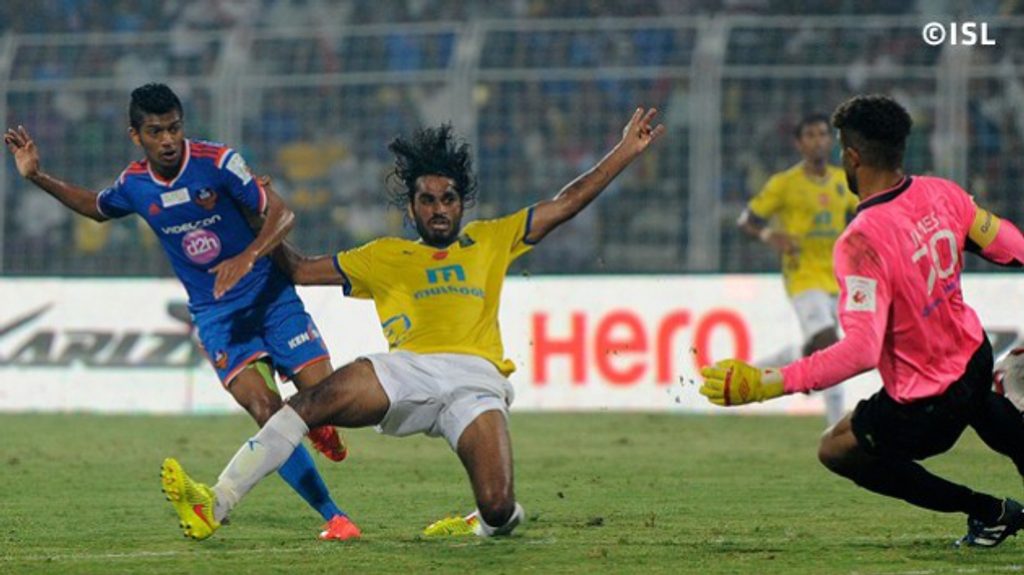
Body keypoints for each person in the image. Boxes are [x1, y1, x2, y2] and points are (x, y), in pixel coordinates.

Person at [158, 107, 665, 540]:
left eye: (448, 199)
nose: (439, 209)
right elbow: (296, 268)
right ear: (413, 207)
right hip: (406, 369)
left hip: (476, 381)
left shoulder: (492, 238)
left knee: (498, 505)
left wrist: (624, 151)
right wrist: (254, 214)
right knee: (306, 405)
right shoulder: (384, 256)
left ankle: (482, 525)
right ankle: (215, 503)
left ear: (461, 201)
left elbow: (568, 202)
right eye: (428, 200)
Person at [3, 83, 358, 541]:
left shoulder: (218, 162)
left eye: (174, 128)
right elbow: (96, 208)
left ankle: (320, 422)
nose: (168, 140)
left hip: (271, 299)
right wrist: (37, 175)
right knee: (269, 414)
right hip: (218, 317)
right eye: (156, 132)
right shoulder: (134, 185)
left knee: (323, 397)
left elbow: (283, 215)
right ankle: (335, 517)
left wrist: (249, 256)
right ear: (137, 135)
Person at [701, 94, 1024, 548]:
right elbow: (1010, 246)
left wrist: (767, 383)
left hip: (924, 405)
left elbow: (860, 351)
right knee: (984, 404)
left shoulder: (861, 240)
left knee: (836, 449)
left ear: (851, 157)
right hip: (974, 357)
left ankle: (987, 511)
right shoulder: (943, 193)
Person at [737, 113, 859, 426]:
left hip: (837, 277)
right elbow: (746, 220)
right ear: (799, 143)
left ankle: (766, 368)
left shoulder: (841, 180)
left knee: (822, 351)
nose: (818, 140)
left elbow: (862, 212)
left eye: (822, 134)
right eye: (811, 135)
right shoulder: (784, 184)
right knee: (833, 348)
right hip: (803, 277)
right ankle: (836, 428)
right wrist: (769, 235)